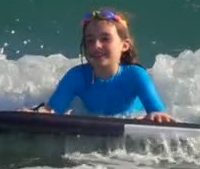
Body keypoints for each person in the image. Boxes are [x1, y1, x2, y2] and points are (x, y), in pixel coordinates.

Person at [33, 8, 173, 123]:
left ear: (124, 45)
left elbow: (157, 112)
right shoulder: (77, 76)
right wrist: (35, 113)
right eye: (90, 40)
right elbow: (51, 111)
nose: (96, 45)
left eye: (105, 39)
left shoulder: (135, 75)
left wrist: (154, 117)